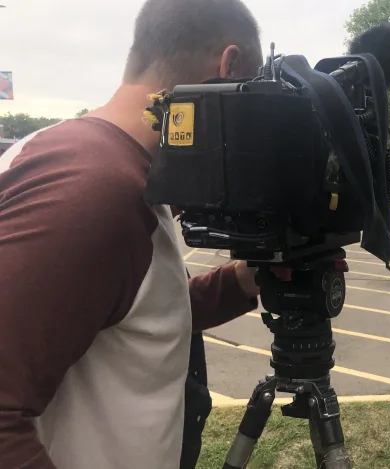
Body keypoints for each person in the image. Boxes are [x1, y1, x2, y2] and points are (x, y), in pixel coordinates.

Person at [0, 1, 266, 468]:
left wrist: (245, 279)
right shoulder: (92, 189)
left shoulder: (108, 162)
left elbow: (125, 315)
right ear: (229, 65)